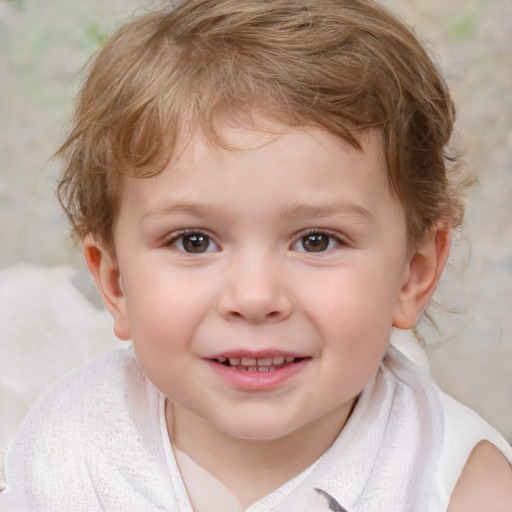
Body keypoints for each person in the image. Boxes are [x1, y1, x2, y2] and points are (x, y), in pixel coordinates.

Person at [1, 0, 511, 510]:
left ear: (412, 274)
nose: (254, 297)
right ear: (116, 284)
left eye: (317, 240)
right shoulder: (69, 451)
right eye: (193, 241)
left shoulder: (461, 488)